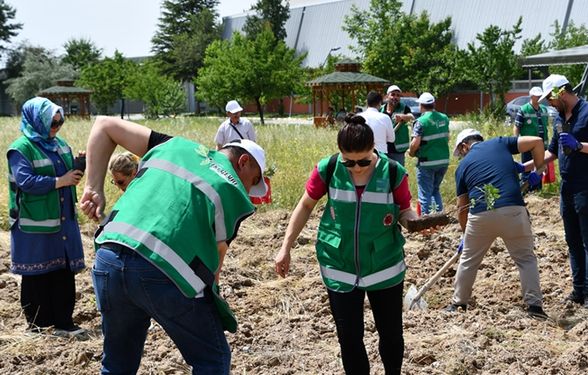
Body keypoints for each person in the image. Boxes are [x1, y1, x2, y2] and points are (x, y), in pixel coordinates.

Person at [80, 116, 268, 374]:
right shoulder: (232, 189)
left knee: (117, 364)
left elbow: (104, 125)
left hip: (109, 256)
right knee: (212, 359)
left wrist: (93, 187)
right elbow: (215, 263)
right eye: (253, 180)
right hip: (162, 271)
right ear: (243, 162)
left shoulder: (173, 145)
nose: (248, 189)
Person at [274, 114, 419, 375]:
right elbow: (306, 205)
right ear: (340, 153)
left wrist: (415, 223)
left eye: (363, 160)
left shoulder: (393, 172)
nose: (357, 168)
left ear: (373, 149)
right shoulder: (328, 168)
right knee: (349, 339)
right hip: (339, 266)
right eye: (348, 162)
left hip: (384, 266)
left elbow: (404, 210)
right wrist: (286, 246)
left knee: (391, 337)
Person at [446, 128, 548, 319]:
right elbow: (537, 141)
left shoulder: (462, 167)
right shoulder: (500, 143)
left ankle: (458, 304)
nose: (461, 157)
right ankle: (534, 307)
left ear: (464, 146)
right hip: (513, 211)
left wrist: (465, 234)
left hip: (480, 216)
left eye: (461, 153)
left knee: (468, 260)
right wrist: (539, 170)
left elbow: (462, 208)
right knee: (526, 259)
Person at [6, 97, 86, 337]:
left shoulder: (59, 144)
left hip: (62, 221)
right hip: (34, 224)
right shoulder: (20, 148)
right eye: (52, 123)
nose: (56, 128)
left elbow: (70, 176)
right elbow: (25, 181)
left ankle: (64, 323)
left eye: (60, 123)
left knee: (63, 271)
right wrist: (59, 181)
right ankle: (38, 326)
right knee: (36, 274)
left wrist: (80, 164)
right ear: (36, 121)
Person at [536, 74, 588, 309]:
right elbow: (553, 151)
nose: (549, 103)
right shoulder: (560, 118)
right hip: (567, 187)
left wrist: (580, 146)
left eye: (550, 98)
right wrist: (530, 167)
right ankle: (578, 290)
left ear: (560, 92)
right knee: (572, 240)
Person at [409, 92, 450, 213]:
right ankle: (438, 217)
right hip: (443, 161)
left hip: (426, 163)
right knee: (435, 190)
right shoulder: (444, 118)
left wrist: (411, 152)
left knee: (424, 193)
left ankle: (425, 221)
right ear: (434, 104)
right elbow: (447, 138)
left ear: (421, 106)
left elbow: (415, 143)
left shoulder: (420, 121)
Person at [513, 87, 550, 190]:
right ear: (531, 96)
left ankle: (537, 188)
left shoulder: (544, 109)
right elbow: (517, 126)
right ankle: (526, 190)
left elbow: (545, 126)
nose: (538, 98)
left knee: (540, 167)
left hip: (542, 145)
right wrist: (515, 142)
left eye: (539, 96)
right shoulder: (524, 109)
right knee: (527, 168)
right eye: (536, 96)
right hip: (528, 145)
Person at [380, 85, 415, 166]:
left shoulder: (404, 108)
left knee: (398, 172)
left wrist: (403, 117)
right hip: (383, 149)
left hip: (398, 149)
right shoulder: (381, 110)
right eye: (393, 94)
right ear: (387, 96)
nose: (395, 97)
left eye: (398, 95)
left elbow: (412, 117)